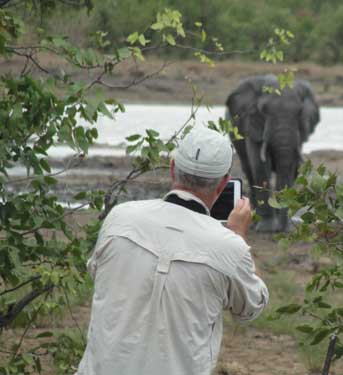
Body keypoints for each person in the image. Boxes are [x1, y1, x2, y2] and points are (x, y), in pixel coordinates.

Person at [76, 126, 269, 375]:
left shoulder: (119, 218)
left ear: (173, 168)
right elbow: (252, 307)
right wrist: (239, 236)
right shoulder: (230, 248)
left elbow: (99, 275)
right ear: (223, 183)